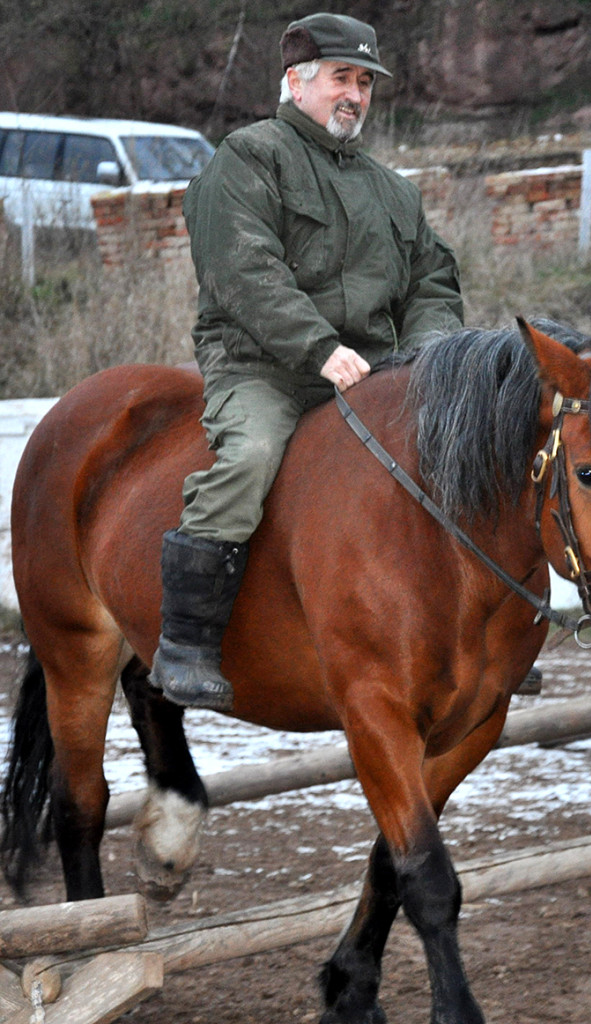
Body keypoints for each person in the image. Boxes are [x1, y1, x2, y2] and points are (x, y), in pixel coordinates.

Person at [149, 12, 464, 711]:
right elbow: (243, 271)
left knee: (462, 456)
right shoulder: (247, 157)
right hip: (263, 366)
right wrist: (318, 348)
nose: (353, 94)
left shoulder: (392, 191)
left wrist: (430, 360)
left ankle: (470, 637)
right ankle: (187, 644)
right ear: (296, 82)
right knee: (250, 458)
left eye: (363, 82)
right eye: (339, 79)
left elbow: (433, 283)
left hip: (376, 370)